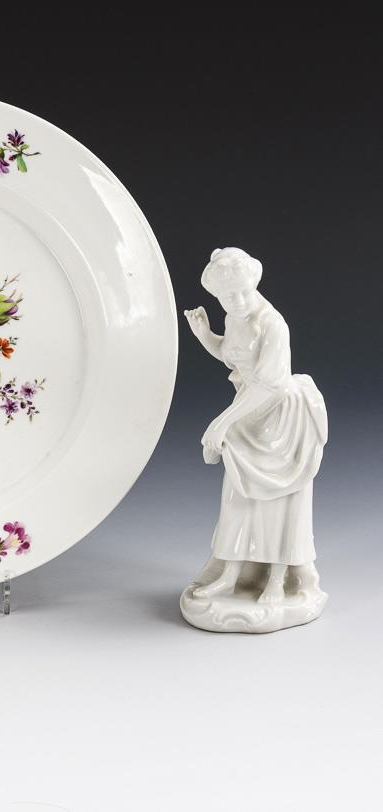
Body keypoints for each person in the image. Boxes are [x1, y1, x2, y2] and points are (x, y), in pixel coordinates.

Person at [184, 248, 327, 604]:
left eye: (243, 292)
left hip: (281, 419)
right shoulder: (235, 317)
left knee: (281, 503)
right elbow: (232, 355)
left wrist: (221, 423)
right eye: (227, 296)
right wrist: (205, 335)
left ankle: (277, 579)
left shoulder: (272, 324)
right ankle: (230, 573)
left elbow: (269, 384)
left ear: (254, 283)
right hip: (249, 411)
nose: (237, 301)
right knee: (238, 496)